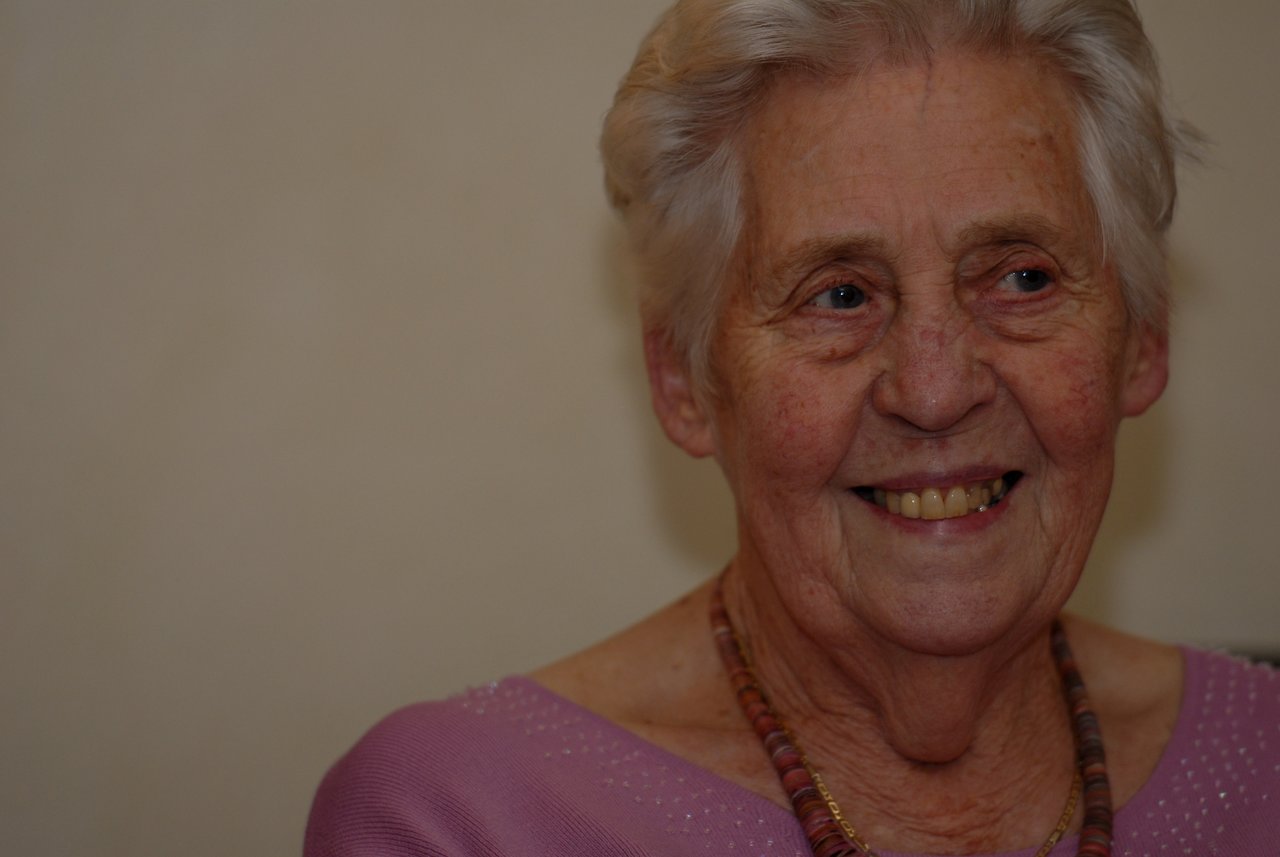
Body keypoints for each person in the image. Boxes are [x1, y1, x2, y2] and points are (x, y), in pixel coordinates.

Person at [304, 1, 1279, 855]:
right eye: (839, 294)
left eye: (1020, 276)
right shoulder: (461, 820)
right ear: (685, 380)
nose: (934, 390)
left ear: (1141, 341)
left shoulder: (1264, 764)